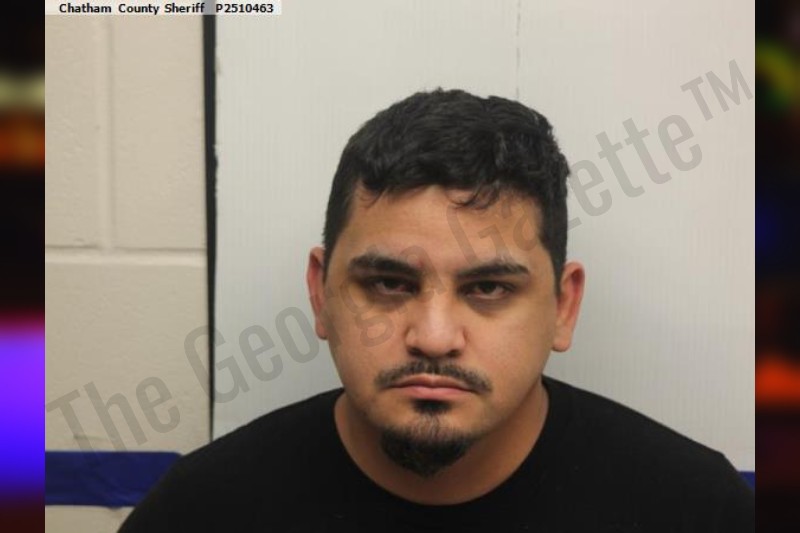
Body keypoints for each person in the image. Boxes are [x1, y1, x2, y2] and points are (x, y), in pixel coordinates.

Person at [120, 89, 753, 532]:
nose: (433, 336)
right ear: (320, 293)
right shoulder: (200, 512)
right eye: (388, 283)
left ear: (563, 307)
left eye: (489, 288)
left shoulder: (697, 511)